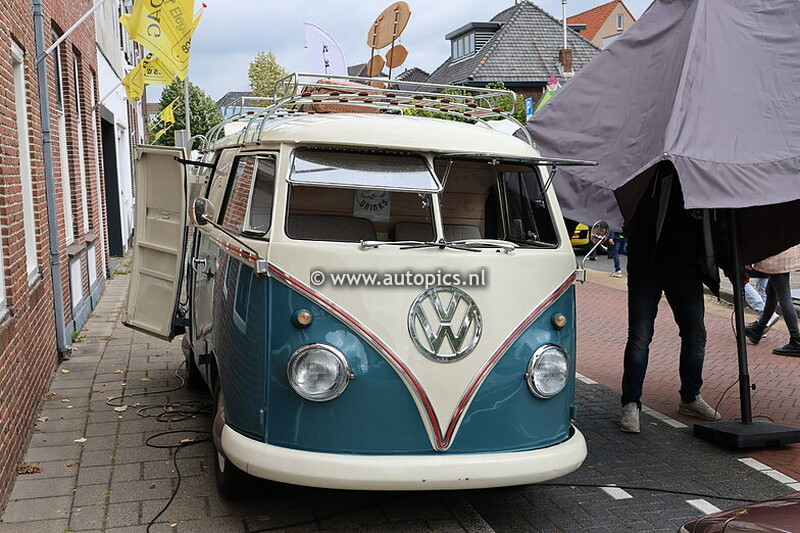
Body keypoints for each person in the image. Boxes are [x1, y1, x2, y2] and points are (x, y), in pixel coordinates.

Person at [620, 165, 721, 434]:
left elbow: (716, 232)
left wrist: (734, 269)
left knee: (695, 334)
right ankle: (631, 403)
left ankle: (690, 397)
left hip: (686, 272)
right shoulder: (658, 177)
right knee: (640, 336)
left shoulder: (710, 187)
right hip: (648, 268)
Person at [744, 244, 800, 356]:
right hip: (788, 252)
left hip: (776, 255)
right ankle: (758, 328)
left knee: (783, 296)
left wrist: (749, 257)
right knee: (771, 292)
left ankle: (796, 340)